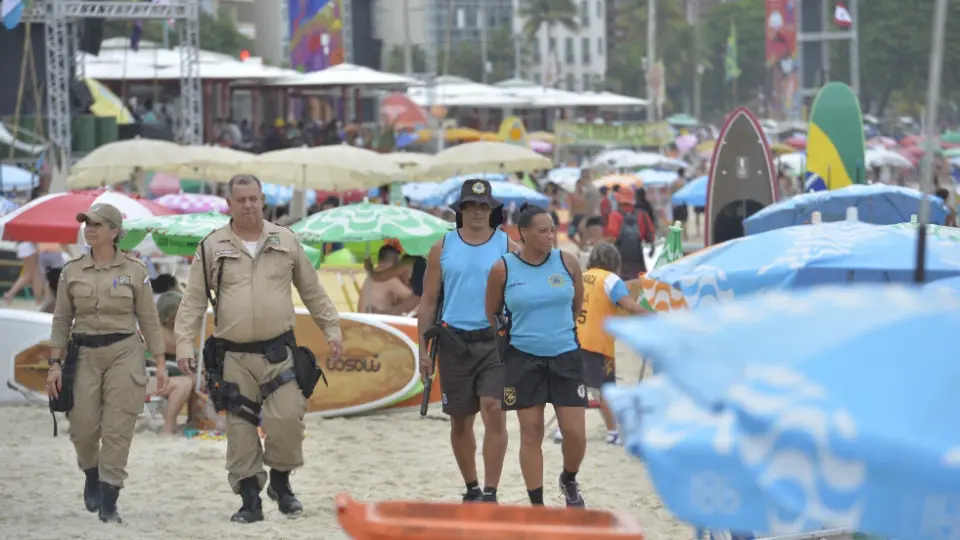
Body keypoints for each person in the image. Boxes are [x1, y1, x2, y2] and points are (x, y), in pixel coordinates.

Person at [174, 174, 343, 524]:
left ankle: (280, 483)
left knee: (287, 419)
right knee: (239, 428)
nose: (248, 205)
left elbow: (312, 291)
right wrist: (182, 344)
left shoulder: (286, 240)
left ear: (263, 200)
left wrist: (332, 329)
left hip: (278, 353)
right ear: (229, 204)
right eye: (241, 199)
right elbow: (191, 302)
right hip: (233, 355)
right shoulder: (211, 247)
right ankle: (250, 499)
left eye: (254, 198)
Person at [45, 203, 166, 524]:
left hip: (124, 353)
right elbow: (61, 320)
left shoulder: (135, 271)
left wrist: (161, 362)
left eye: (97, 224)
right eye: (86, 223)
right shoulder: (71, 270)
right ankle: (91, 472)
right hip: (83, 353)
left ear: (115, 232)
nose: (90, 229)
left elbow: (150, 320)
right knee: (83, 428)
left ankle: (110, 501)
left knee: (118, 429)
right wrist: (54, 365)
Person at [418, 178, 516, 503]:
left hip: (494, 343)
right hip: (453, 343)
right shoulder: (442, 247)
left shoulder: (506, 247)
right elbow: (428, 302)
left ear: (492, 210)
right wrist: (423, 352)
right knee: (461, 422)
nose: (476, 211)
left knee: (493, 408)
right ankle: (472, 486)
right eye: (470, 206)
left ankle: (491, 490)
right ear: (460, 210)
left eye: (483, 205)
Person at [485, 203, 588, 508]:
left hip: (565, 354)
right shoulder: (503, 268)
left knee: (574, 433)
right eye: (542, 230)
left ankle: (569, 478)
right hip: (522, 358)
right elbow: (492, 312)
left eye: (552, 229)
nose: (550, 235)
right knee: (531, 432)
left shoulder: (567, 262)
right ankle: (537, 506)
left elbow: (576, 305)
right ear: (523, 233)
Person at [554, 243, 649, 445]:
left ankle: (563, 430)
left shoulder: (583, 276)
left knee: (573, 386)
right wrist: (653, 316)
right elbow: (628, 305)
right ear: (615, 262)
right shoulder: (611, 280)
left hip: (572, 338)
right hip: (596, 343)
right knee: (604, 388)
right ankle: (612, 432)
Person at [149, 291, 197, 434]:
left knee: (194, 380)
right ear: (172, 316)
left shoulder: (164, 331)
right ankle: (169, 427)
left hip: (154, 377)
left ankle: (193, 420)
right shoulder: (160, 332)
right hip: (145, 380)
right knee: (188, 382)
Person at [605, 188, 656, 280]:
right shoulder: (642, 215)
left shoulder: (615, 215)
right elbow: (650, 237)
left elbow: (612, 238)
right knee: (637, 289)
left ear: (619, 200)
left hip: (620, 264)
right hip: (637, 263)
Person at [359, 245, 419, 315]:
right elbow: (414, 297)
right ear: (395, 262)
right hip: (375, 321)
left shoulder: (373, 276)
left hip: (366, 320)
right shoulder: (388, 278)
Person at [3, 241, 45, 306]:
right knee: (30, 274)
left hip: (27, 245)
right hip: (29, 245)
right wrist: (36, 248)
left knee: (35, 274)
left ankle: (38, 299)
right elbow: (31, 235)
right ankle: (10, 294)